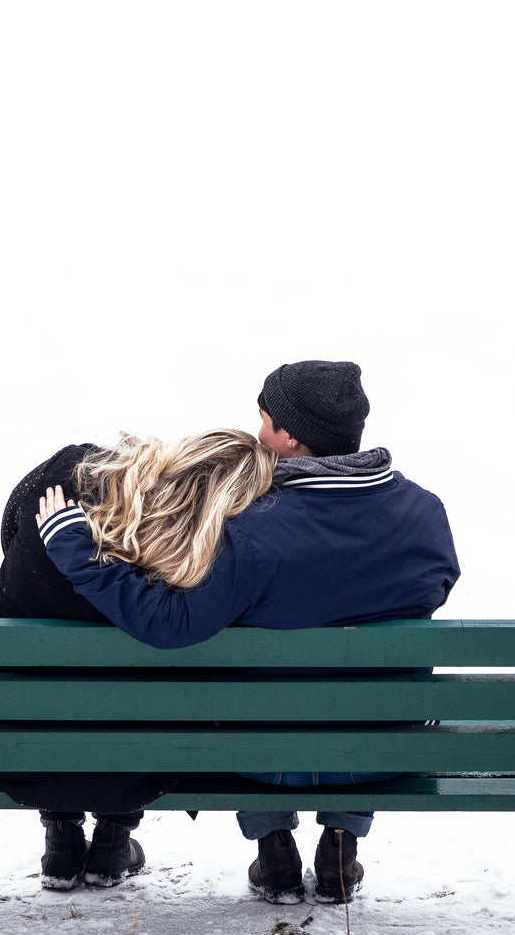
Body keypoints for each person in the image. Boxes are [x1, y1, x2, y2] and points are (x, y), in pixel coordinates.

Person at [36, 360, 460, 904]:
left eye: (264, 421)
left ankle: (274, 843)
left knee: (239, 687)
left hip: (265, 757)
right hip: (377, 752)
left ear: (290, 436)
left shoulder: (252, 529)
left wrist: (77, 550)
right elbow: (436, 587)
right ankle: (339, 841)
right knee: (375, 681)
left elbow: (169, 624)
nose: (258, 435)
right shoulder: (425, 515)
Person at [0, 429, 276, 890]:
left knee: (44, 676)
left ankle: (61, 835)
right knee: (146, 690)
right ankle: (112, 840)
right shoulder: (197, 564)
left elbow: (10, 534)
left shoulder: (69, 476)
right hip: (135, 766)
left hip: (13, 747)